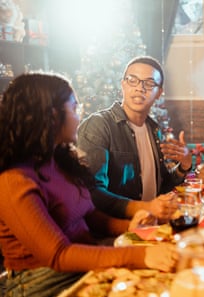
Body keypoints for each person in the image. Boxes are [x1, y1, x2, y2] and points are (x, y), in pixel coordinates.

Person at [0, 72, 178, 297]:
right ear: (52, 116)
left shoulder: (58, 159)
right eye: (74, 108)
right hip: (43, 279)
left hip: (85, 256)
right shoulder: (14, 180)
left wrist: (130, 228)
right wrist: (140, 255)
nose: (79, 115)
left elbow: (91, 216)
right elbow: (58, 255)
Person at [77, 55, 204, 221]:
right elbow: (91, 193)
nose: (140, 88)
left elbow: (161, 186)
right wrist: (146, 207)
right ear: (123, 84)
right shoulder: (99, 125)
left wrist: (184, 165)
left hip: (152, 223)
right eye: (133, 80)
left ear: (158, 93)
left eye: (149, 83)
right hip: (118, 229)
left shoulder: (154, 130)